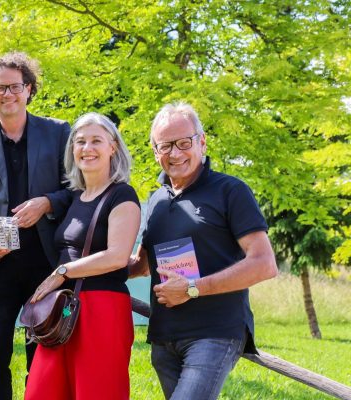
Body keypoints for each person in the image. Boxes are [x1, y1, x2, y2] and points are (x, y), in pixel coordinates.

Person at [0, 53, 73, 400]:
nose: (8, 94)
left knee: (45, 355)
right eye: (0, 88)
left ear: (29, 89)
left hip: (46, 263)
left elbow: (76, 190)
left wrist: (46, 202)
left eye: (15, 87)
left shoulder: (58, 132)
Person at [140, 102, 277, 400]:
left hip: (214, 333)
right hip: (164, 337)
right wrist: (75, 266)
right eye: (165, 146)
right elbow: (143, 264)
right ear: (154, 151)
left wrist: (192, 289)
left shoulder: (231, 191)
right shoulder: (156, 201)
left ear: (202, 142)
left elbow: (264, 263)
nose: (175, 153)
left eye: (184, 143)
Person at [24, 113, 141, 399]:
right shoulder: (77, 197)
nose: (87, 148)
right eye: (80, 142)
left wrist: (62, 272)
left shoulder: (122, 195)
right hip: (65, 310)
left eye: (96, 141)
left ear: (113, 147)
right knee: (42, 391)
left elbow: (117, 256)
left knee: (96, 392)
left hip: (102, 308)